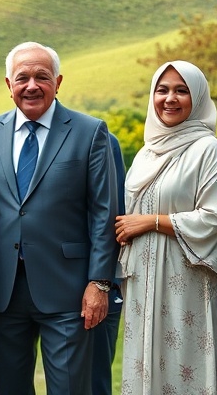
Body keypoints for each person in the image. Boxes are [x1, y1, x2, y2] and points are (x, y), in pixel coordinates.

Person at [0, 41, 117, 394]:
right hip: (3, 292)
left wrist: (99, 283)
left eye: (42, 77)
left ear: (58, 82)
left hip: (69, 291)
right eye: (22, 78)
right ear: (9, 85)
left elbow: (104, 212)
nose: (31, 85)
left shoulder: (90, 131)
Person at [115, 60, 217, 393]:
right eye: (162, 90)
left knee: (184, 367)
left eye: (181, 90)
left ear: (197, 97)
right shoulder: (146, 153)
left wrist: (150, 222)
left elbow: (213, 217)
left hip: (186, 278)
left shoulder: (208, 150)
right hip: (142, 280)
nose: (170, 98)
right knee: (144, 367)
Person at [91, 132, 126, 395]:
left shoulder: (103, 140)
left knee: (95, 380)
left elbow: (114, 211)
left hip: (102, 285)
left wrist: (105, 282)